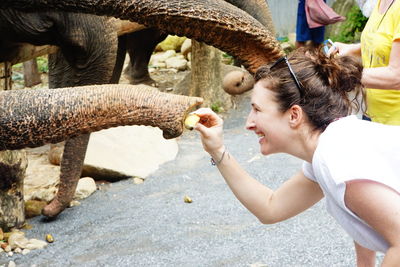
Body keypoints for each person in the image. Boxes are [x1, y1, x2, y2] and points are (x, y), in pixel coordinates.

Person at [192, 49, 400, 266]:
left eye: (257, 110)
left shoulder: (337, 158)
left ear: (294, 115)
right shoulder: (329, 150)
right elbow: (271, 208)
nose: (248, 123)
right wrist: (217, 150)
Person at [330, 0, 400, 125]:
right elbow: (384, 43)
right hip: (371, 113)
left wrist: (344, 72)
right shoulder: (380, 2)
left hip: (394, 123)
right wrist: (351, 49)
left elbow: (397, 76)